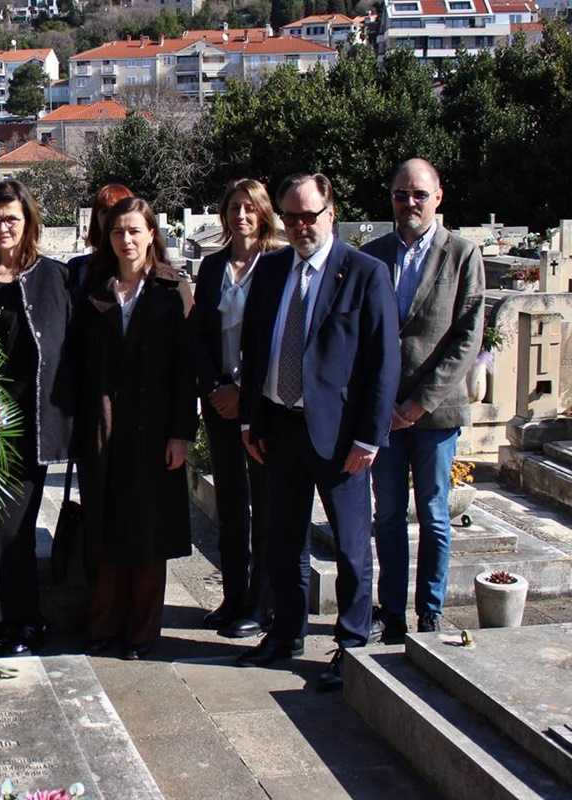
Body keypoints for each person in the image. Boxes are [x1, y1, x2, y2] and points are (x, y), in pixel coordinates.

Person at [236, 173, 399, 691]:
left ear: (331, 214)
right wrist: (250, 419)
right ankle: (286, 633)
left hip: (340, 437)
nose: (301, 226)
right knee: (283, 541)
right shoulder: (271, 270)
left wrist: (369, 438)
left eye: (310, 216)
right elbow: (254, 349)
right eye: (291, 217)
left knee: (351, 548)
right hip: (280, 426)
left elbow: (383, 361)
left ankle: (351, 646)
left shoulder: (364, 273)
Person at [362, 159, 485, 642]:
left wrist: (419, 403)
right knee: (388, 515)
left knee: (433, 516)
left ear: (438, 197)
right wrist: (380, 404)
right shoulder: (373, 255)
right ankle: (392, 614)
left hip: (435, 412)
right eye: (400, 194)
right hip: (384, 413)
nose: (409, 203)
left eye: (418, 194)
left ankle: (429, 612)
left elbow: (467, 336)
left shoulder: (462, 254)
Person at [73, 197, 197, 661]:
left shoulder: (171, 289)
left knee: (147, 532)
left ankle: (142, 632)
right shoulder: (94, 287)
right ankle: (104, 624)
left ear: (150, 235)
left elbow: (186, 368)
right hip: (103, 425)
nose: (126, 239)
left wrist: (181, 434)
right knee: (105, 527)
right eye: (117, 231)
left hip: (154, 427)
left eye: (134, 230)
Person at [0, 180, 75, 657]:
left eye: (11, 218)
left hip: (30, 423)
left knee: (15, 525)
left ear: (28, 222)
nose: (2, 227)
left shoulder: (55, 277)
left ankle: (23, 622)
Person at [193, 178, 280, 639]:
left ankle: (261, 604)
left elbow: (277, 339)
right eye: (233, 208)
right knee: (230, 503)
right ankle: (232, 596)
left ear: (263, 213)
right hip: (219, 402)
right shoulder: (213, 268)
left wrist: (243, 391)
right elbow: (201, 336)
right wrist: (214, 387)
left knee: (263, 505)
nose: (241, 216)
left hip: (261, 404)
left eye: (249, 208)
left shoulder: (278, 265)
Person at [66, 183, 134, 292]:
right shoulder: (77, 268)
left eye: (118, 211)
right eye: (105, 211)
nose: (111, 217)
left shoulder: (149, 271)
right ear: (96, 218)